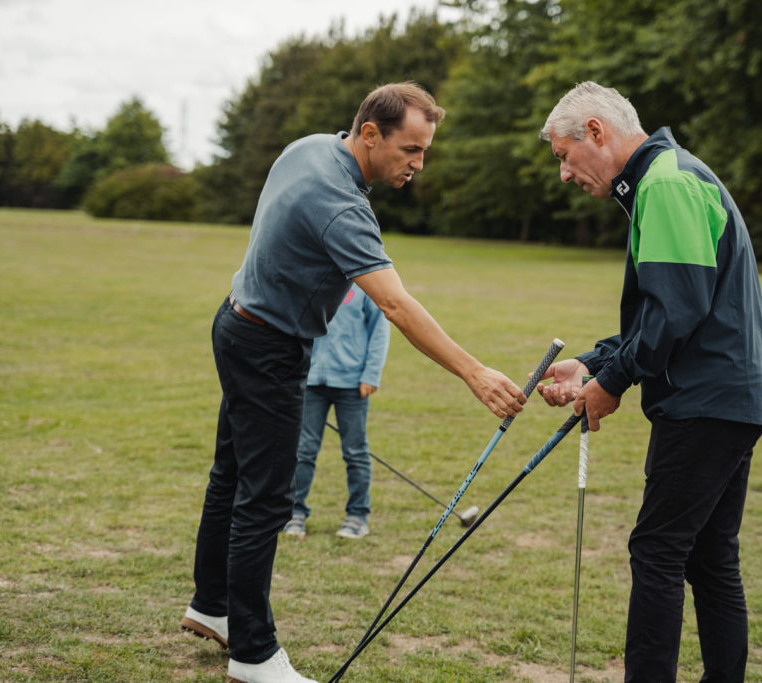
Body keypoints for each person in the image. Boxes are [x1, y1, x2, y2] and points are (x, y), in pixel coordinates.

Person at [179, 82, 526, 683]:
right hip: (269, 347)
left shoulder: (309, 147)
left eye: (425, 150)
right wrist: (474, 371)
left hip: (235, 320)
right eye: (411, 149)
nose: (419, 163)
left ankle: (212, 607)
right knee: (265, 499)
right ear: (371, 134)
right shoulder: (343, 205)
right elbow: (396, 305)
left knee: (231, 476)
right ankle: (253, 655)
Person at [536, 82, 762, 683]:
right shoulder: (665, 177)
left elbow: (677, 312)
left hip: (705, 403)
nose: (563, 174)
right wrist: (594, 362)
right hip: (727, 398)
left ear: (595, 131)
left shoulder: (664, 181)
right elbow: (666, 311)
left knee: (660, 552)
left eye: (563, 156)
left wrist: (610, 382)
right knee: (710, 558)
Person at [284, 282, 390, 540]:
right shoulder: (313, 278)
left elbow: (380, 329)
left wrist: (371, 374)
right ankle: (294, 513)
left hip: (353, 384)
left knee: (355, 452)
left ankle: (357, 516)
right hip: (311, 381)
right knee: (303, 450)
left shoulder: (365, 284)